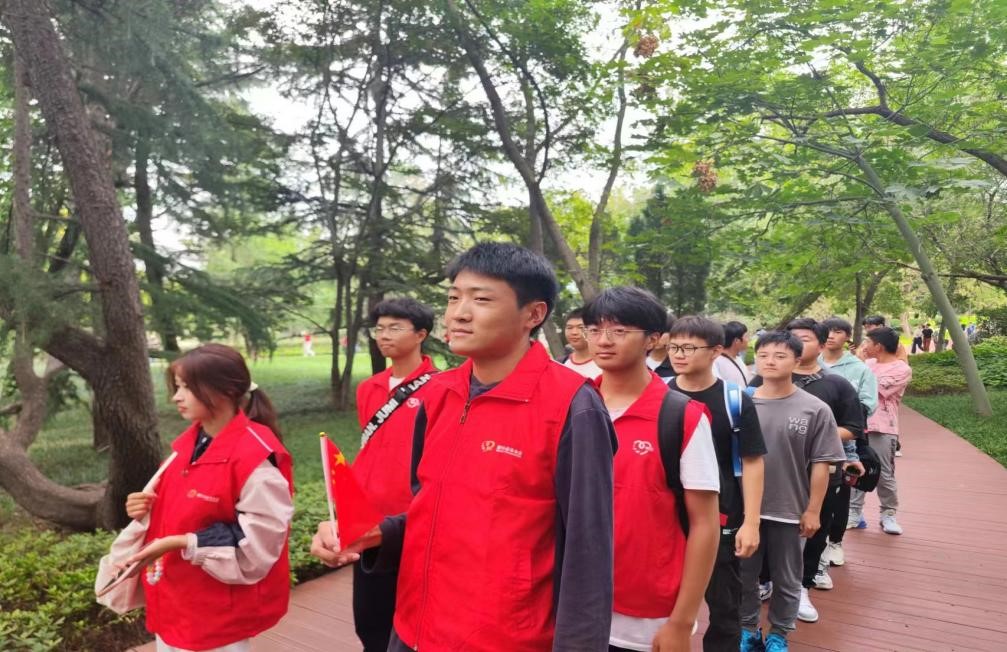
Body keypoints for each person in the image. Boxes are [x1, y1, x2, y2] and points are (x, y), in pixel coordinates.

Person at [311, 243, 618, 650]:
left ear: (533, 314)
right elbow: (427, 508)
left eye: (481, 299)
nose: (458, 313)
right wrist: (376, 533)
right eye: (454, 298)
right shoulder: (438, 395)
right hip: (414, 627)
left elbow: (588, 550)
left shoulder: (572, 406)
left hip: (503, 638)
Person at [124, 344, 294, 652]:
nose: (176, 397)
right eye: (177, 387)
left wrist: (183, 542)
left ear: (225, 390)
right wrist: (144, 507)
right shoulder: (187, 446)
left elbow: (260, 540)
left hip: (217, 612)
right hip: (176, 597)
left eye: (187, 388)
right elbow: (185, 507)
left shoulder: (255, 457)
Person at [581, 290, 720, 652]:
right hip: (574, 599)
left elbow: (705, 525)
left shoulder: (682, 417)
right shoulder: (573, 406)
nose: (603, 341)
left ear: (654, 339)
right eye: (594, 330)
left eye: (619, 331)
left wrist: (682, 622)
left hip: (646, 616)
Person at [750, 318, 864, 624]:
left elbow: (853, 429)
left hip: (810, 481)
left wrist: (814, 437)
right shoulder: (750, 394)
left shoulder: (832, 389)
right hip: (758, 492)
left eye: (803, 339)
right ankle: (762, 590)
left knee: (808, 540)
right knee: (755, 553)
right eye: (764, 354)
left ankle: (800, 590)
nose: (771, 360)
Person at [740, 332, 845, 652]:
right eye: (763, 355)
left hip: (789, 508)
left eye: (780, 355)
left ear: (797, 361)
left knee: (788, 578)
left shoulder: (815, 409)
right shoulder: (741, 403)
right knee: (744, 576)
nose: (770, 361)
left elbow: (822, 464)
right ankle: (747, 631)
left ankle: (778, 634)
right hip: (744, 510)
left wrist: (813, 510)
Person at [666, 316, 767, 652]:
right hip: (665, 513)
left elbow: (752, 461)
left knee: (724, 602)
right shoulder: (660, 393)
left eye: (689, 347)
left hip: (721, 513)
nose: (679, 354)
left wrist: (751, 522)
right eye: (674, 347)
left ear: (716, 351)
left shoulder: (734, 399)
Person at [352, 298, 438, 651]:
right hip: (368, 519)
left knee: (413, 613)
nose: (384, 335)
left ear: (421, 335)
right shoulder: (368, 388)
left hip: (412, 520)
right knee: (369, 616)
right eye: (380, 328)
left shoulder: (440, 389)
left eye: (395, 328)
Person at [819, 317, 878, 566]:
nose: (831, 336)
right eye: (827, 331)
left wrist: (844, 417)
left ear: (847, 337)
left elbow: (868, 404)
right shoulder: (810, 362)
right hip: (812, 438)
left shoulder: (859, 368)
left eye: (838, 331)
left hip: (847, 438)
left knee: (840, 491)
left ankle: (835, 542)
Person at [849, 327, 912, 535]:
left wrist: (858, 371)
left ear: (879, 346)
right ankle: (854, 512)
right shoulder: (867, 364)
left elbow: (878, 389)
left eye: (868, 342)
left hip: (883, 426)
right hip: (859, 425)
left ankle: (888, 513)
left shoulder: (901, 369)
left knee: (884, 472)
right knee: (856, 468)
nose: (864, 346)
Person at [561, 307, 604, 378]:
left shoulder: (607, 361)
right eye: (569, 328)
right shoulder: (562, 364)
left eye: (581, 327)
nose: (574, 332)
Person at [714, 320, 751, 386]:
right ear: (737, 341)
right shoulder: (716, 361)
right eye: (746, 337)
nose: (748, 340)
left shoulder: (737, 358)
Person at [646, 312, 678, 380]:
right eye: (653, 330)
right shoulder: (637, 360)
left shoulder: (677, 364)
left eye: (662, 332)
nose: (656, 336)